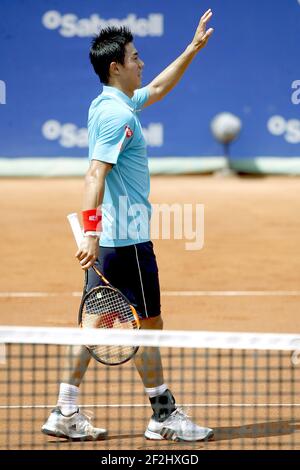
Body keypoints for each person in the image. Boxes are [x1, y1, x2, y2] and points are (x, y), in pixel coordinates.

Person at [42, 9, 214, 442]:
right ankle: (163, 414)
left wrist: (191, 49)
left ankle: (64, 410)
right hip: (125, 241)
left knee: (94, 325)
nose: (142, 62)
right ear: (115, 66)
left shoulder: (111, 103)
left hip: (110, 242)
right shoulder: (117, 115)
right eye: (135, 57)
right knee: (148, 325)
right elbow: (94, 175)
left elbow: (156, 88)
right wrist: (94, 232)